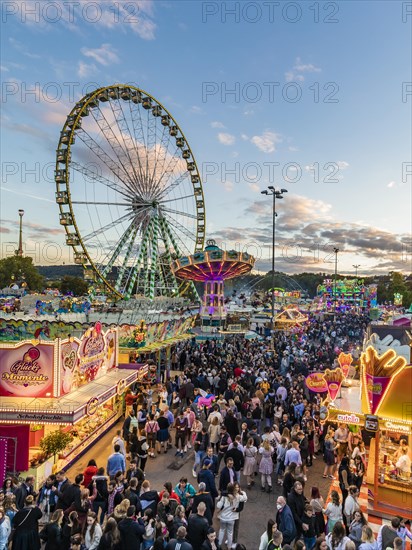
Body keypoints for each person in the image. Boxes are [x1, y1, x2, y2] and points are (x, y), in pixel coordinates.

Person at [216, 483, 245, 550]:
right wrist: (243, 492)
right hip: (231, 519)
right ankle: (229, 547)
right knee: (230, 533)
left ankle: (219, 545)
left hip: (223, 517)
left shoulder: (224, 497)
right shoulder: (237, 497)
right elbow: (244, 498)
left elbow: (218, 506)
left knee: (222, 530)